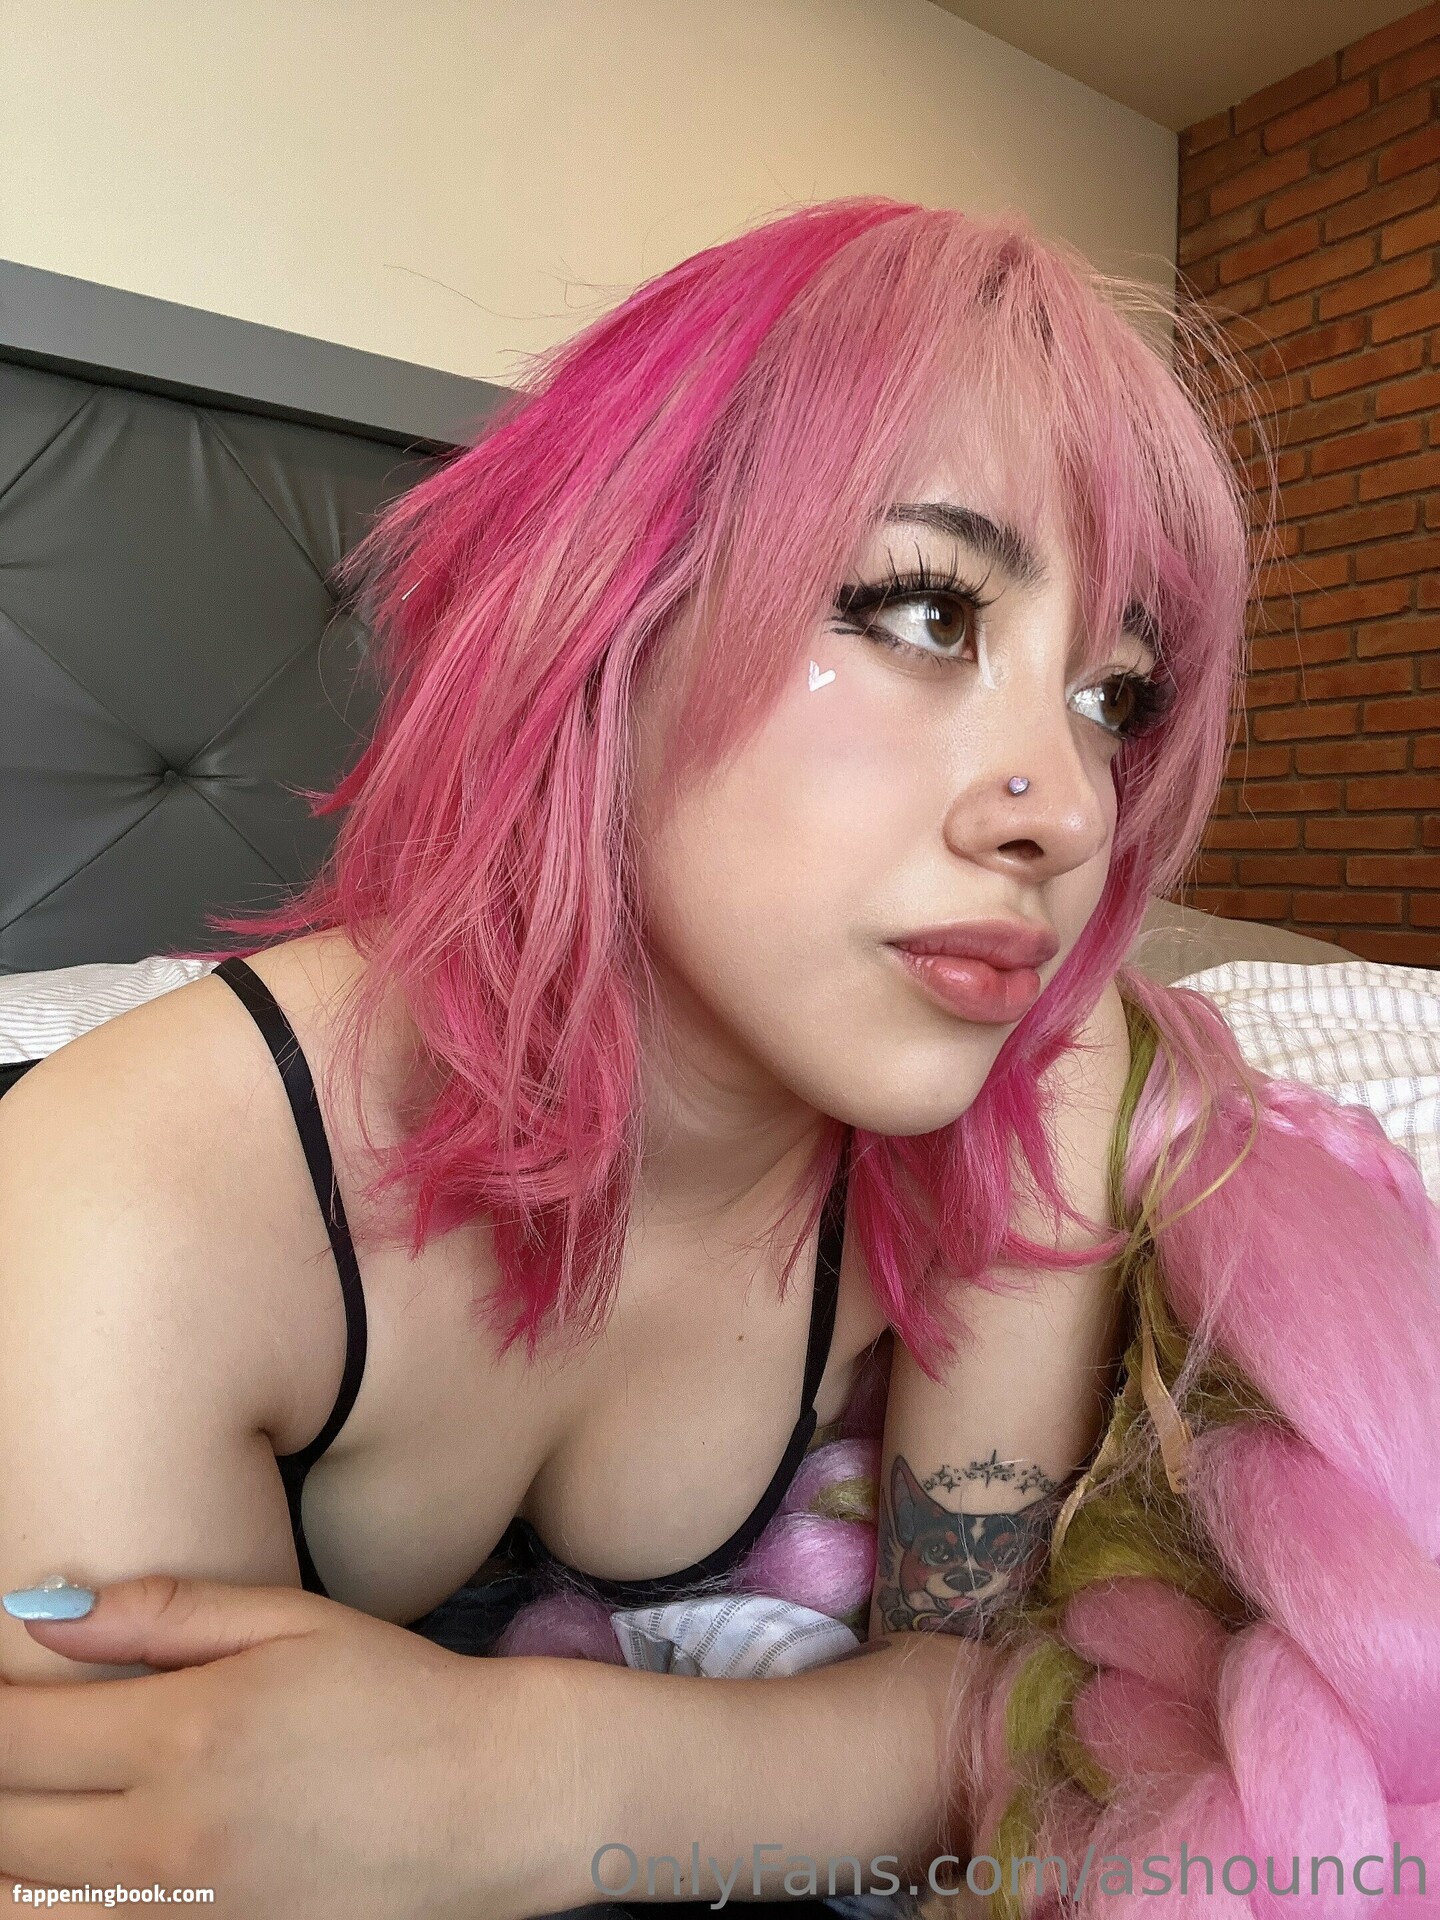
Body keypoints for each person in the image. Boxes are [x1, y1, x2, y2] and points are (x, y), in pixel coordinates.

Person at [1, 197, 1436, 1920]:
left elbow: (973, 1707)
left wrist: (535, 1781)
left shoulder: (1034, 1085)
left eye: (1113, 698)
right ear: (603, 618)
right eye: (926, 611)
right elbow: (123, 1864)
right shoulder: (122, 1198)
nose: (1066, 810)